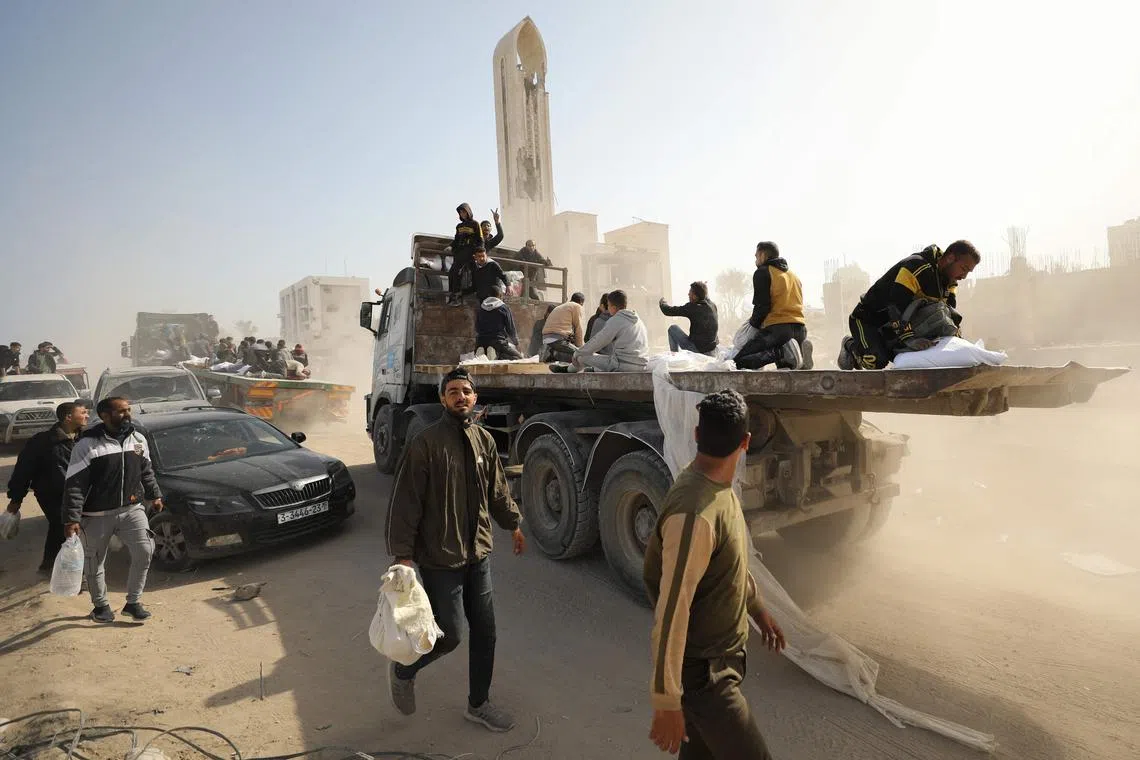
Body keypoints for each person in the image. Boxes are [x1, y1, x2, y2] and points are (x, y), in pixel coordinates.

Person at [644, 389, 786, 759]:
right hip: (705, 677)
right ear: (747, 442)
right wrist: (666, 700)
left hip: (718, 664)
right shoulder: (694, 513)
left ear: (695, 434)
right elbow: (672, 611)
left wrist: (757, 609)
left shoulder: (718, 490)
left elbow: (730, 566)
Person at [385, 367, 526, 732]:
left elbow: (497, 490)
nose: (460, 396)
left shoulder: (484, 441)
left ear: (475, 398)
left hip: (478, 554)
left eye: (466, 390)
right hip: (439, 557)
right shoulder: (426, 443)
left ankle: (478, 704)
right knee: (448, 635)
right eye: (452, 391)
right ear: (442, 399)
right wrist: (402, 556)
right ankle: (404, 669)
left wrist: (513, 524)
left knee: (486, 632)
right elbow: (406, 502)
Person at [63, 397, 163, 623]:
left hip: (132, 509)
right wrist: (71, 518)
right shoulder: (87, 445)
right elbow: (75, 484)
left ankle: (133, 603)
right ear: (105, 416)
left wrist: (154, 494)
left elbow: (146, 470)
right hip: (96, 515)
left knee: (145, 551)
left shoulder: (138, 439)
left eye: (129, 410)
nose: (128, 415)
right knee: (94, 561)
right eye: (122, 412)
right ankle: (101, 607)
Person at [838, 241, 980, 370]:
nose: (964, 276)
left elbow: (949, 315)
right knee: (875, 361)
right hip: (868, 319)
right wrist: (909, 338)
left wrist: (959, 344)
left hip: (895, 325)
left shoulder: (950, 282)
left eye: (968, 271)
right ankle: (850, 345)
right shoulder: (917, 266)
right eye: (963, 268)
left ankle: (883, 345)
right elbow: (895, 304)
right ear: (950, 258)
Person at [6, 402, 90, 573]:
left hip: (79, 493)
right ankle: (66, 570)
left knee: (65, 527)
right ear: (68, 417)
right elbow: (23, 471)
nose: (87, 416)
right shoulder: (41, 442)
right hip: (51, 494)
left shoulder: (86, 439)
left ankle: (51, 565)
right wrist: (16, 499)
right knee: (63, 525)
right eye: (83, 412)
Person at [734, 242, 812, 370]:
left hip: (778, 331)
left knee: (739, 361)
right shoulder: (794, 276)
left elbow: (762, 307)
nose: (755, 260)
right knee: (786, 365)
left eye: (756, 256)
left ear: (763, 255)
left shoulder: (763, 272)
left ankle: (781, 352)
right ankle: (800, 354)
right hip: (800, 330)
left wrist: (752, 329)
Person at [568, 289, 649, 372]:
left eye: (609, 305)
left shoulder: (616, 319)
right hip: (642, 365)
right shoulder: (638, 320)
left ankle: (567, 370)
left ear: (613, 308)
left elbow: (598, 341)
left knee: (581, 357)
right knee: (593, 356)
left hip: (622, 365)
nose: (608, 308)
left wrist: (577, 353)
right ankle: (594, 369)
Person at [660, 282, 719, 356]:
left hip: (698, 351)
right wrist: (703, 288)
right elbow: (705, 296)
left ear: (695, 296)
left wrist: (662, 303)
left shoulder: (693, 307)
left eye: (690, 292)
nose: (688, 294)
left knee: (672, 328)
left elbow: (668, 311)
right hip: (712, 351)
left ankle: (675, 358)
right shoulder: (712, 305)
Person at [447, 203, 485, 305]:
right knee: (453, 272)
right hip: (460, 252)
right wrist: (450, 246)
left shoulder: (475, 224)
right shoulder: (459, 226)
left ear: (468, 212)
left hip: (472, 251)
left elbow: (480, 240)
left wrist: (480, 252)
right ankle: (454, 295)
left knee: (476, 274)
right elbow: (456, 240)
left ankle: (479, 294)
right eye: (460, 212)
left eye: (464, 211)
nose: (462, 214)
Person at [475, 286, 523, 360]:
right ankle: (496, 354)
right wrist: (517, 344)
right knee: (518, 357)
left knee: (487, 345)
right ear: (500, 295)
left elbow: (477, 327)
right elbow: (510, 329)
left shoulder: (481, 308)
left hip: (481, 341)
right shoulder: (504, 308)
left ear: (489, 295)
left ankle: (483, 351)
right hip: (498, 341)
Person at [539, 292, 586, 363]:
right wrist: (580, 349)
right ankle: (554, 354)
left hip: (546, 339)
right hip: (558, 339)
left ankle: (552, 354)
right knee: (580, 355)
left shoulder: (562, 306)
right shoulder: (577, 306)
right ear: (581, 303)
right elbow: (578, 329)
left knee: (571, 353)